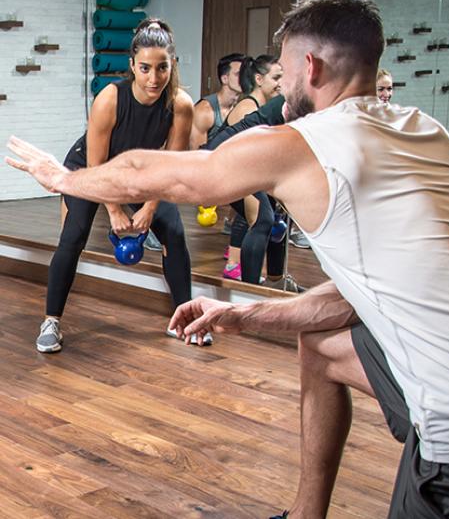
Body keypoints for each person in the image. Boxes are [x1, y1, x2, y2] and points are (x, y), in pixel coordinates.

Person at [6, 0, 449, 519]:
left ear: (309, 66)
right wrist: (243, 313)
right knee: (326, 350)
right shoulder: (430, 133)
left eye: (282, 71)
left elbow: (155, 173)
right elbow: (365, 294)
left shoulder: (308, 141)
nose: (279, 83)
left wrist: (61, 176)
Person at [26, 18, 212, 353]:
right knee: (74, 234)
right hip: (91, 167)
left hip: (142, 172)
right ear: (132, 66)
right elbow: (98, 167)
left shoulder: (181, 105)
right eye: (144, 68)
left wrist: (151, 208)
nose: (153, 78)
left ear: (173, 65)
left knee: (175, 234)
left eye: (162, 68)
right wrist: (113, 210)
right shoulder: (109, 99)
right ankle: (51, 321)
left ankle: (184, 317)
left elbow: (171, 166)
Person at [218, 55, 285, 284]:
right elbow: (241, 153)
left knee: (274, 212)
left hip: (244, 169)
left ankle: (276, 280)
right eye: (276, 77)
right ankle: (249, 287)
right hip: (226, 168)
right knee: (263, 218)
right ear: (259, 79)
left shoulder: (265, 107)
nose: (280, 83)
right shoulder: (248, 107)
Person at [189, 52, 245, 150]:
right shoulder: (204, 111)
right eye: (238, 74)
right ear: (225, 79)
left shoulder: (240, 108)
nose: (244, 78)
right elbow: (198, 155)